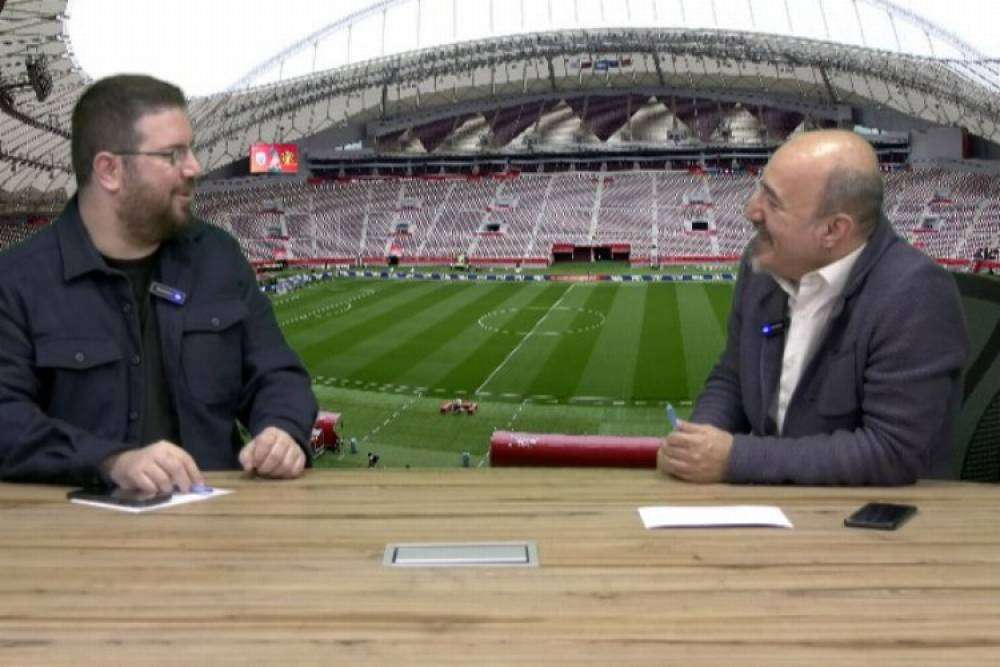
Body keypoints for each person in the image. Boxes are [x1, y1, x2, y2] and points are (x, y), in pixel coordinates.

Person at [0, 74, 318, 494]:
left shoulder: (218, 257)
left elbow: (277, 374)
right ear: (110, 170)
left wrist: (282, 429)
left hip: (216, 518)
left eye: (190, 149)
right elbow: (7, 420)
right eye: (173, 154)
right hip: (79, 527)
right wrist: (110, 461)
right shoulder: (18, 281)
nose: (194, 167)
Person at [659, 130, 968, 486]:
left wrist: (735, 459)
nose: (751, 210)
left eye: (773, 202)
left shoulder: (915, 295)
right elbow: (733, 377)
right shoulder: (763, 264)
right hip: (773, 504)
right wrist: (696, 445)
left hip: (873, 512)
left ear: (833, 230)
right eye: (760, 189)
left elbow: (892, 452)